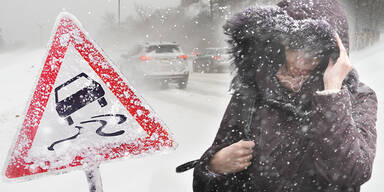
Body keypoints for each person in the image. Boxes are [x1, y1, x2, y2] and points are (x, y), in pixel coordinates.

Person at [192, 0, 378, 191]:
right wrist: (214, 165)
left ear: (333, 53)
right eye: (293, 47)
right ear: (279, 45)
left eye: (313, 51)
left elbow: (349, 174)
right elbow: (205, 183)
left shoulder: (357, 98)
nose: (301, 61)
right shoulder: (254, 91)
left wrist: (331, 94)